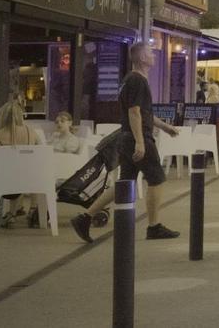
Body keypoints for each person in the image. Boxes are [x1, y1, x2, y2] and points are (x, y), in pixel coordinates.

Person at [70, 42, 182, 243]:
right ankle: (154, 226)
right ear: (141, 58)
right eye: (150, 53)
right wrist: (140, 142)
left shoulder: (130, 80)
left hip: (126, 137)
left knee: (125, 183)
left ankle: (84, 217)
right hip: (136, 138)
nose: (154, 56)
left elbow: (144, 113)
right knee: (156, 179)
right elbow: (134, 112)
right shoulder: (137, 80)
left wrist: (166, 127)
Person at [0, 100, 43, 227]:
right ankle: (33, 209)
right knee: (28, 170)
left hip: (0, 184)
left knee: (10, 172)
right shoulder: (31, 132)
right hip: (27, 182)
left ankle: (11, 214)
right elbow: (41, 155)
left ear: (1, 116)